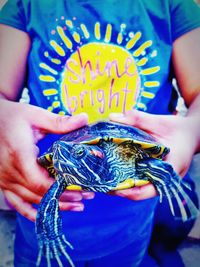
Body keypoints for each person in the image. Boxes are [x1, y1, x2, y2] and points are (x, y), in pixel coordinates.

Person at [0, 0, 200, 266]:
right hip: (40, 222)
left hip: (131, 226)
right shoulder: (25, 5)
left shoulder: (173, 5)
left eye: (79, 153)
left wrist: (192, 132)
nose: (65, 154)